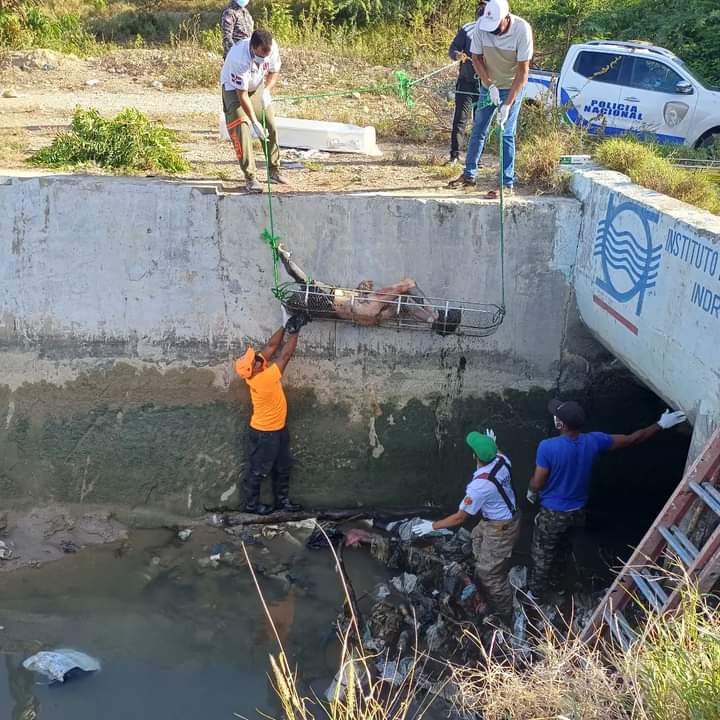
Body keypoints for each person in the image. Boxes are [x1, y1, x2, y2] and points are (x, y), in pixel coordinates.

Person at [527, 399, 688, 601]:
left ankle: (535, 594)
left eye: (556, 417)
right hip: (578, 511)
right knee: (565, 548)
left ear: (560, 424)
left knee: (542, 553)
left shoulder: (547, 447)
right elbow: (632, 439)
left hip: (553, 513)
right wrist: (661, 424)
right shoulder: (595, 441)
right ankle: (559, 586)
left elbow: (538, 480)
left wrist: (531, 491)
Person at [413, 430, 519, 621]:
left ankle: (505, 613)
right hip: (503, 517)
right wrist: (492, 445)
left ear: (474, 456)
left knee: (490, 575)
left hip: (501, 528)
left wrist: (433, 526)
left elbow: (459, 518)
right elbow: (497, 453)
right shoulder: (503, 459)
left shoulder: (479, 486)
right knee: (476, 537)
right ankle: (482, 569)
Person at [277, 243, 462, 335]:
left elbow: (348, 302)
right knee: (407, 285)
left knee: (403, 302)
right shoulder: (319, 293)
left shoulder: (317, 312)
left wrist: (362, 290)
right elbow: (298, 276)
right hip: (367, 308)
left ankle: (434, 321)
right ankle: (437, 317)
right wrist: (284, 256)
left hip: (365, 317)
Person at [448, 0, 533, 195]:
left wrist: (508, 104)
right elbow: (476, 58)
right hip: (490, 86)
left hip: (512, 86)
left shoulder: (522, 30)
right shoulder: (481, 26)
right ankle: (469, 176)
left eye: (496, 27)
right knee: (478, 128)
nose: (492, 31)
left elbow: (523, 72)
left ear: (505, 18)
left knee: (506, 133)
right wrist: (489, 84)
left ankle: (506, 184)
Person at [234, 314, 308, 514]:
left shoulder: (257, 370)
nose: (257, 356)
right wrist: (295, 332)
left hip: (277, 430)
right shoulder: (263, 380)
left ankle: (282, 502)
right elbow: (285, 356)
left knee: (283, 467)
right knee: (258, 470)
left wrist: (284, 325)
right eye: (254, 360)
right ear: (255, 368)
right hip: (266, 433)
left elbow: (271, 346)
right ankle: (250, 505)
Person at [220, 28, 287, 193]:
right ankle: (250, 177)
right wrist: (254, 122)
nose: (263, 58)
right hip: (234, 90)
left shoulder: (272, 48)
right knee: (241, 126)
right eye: (260, 55)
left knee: (270, 124)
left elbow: (274, 71)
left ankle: (274, 169)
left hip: (256, 86)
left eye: (266, 55)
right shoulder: (238, 58)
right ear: (252, 47)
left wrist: (267, 90)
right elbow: (242, 95)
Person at [447, 3, 485, 163]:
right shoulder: (467, 30)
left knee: (481, 122)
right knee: (460, 119)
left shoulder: (495, 33)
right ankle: (454, 156)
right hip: (466, 83)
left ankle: (476, 159)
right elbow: (452, 49)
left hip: (485, 85)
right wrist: (458, 55)